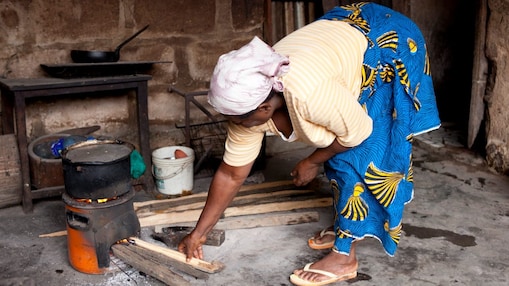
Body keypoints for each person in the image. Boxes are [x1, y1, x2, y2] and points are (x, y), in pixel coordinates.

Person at [178, 2, 441, 285]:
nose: (234, 125)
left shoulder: (309, 95)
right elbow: (231, 174)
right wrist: (199, 233)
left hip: (386, 41)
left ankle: (344, 256)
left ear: (265, 108)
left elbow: (358, 132)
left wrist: (312, 160)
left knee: (354, 158)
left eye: (239, 120)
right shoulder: (248, 106)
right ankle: (346, 226)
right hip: (343, 36)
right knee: (335, 146)